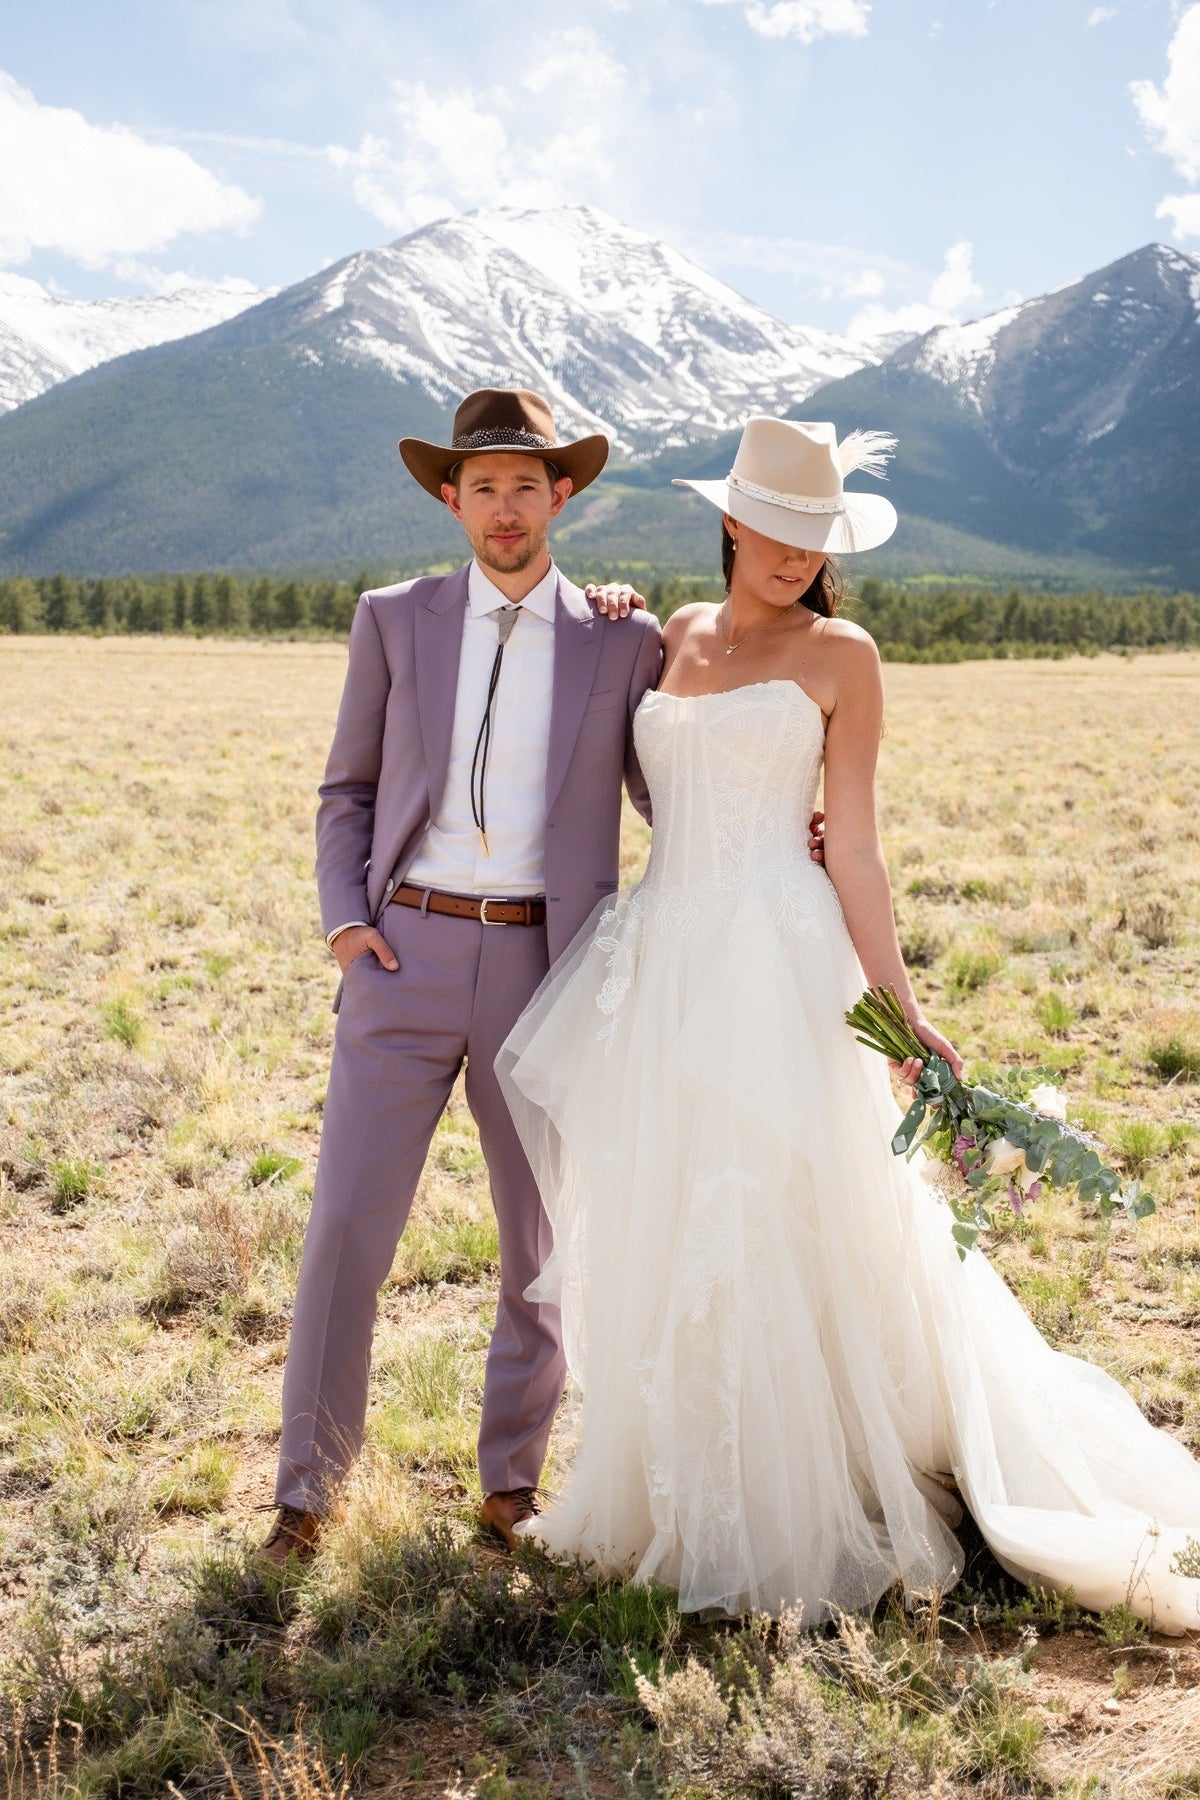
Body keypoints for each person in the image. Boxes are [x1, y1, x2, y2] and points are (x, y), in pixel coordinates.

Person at [497, 415, 1200, 1631]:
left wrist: (902, 1010)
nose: (792, 554)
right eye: (773, 528)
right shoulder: (671, 634)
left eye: (813, 535)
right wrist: (604, 608)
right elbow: (641, 776)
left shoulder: (846, 653)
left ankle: (811, 1495)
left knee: (785, 1209)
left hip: (780, 955)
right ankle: (684, 1495)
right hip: (665, 953)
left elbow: (857, 842)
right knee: (674, 1212)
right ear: (730, 522)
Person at [259, 387, 666, 1566]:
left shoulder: (621, 637)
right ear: (450, 497)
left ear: (562, 495)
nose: (503, 506)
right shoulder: (395, 620)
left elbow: (664, 793)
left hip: (547, 962)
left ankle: (511, 1488)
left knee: (537, 1236)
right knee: (344, 1227)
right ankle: (306, 1490)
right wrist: (347, 927)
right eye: (481, 486)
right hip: (403, 955)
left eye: (524, 485)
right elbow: (346, 788)